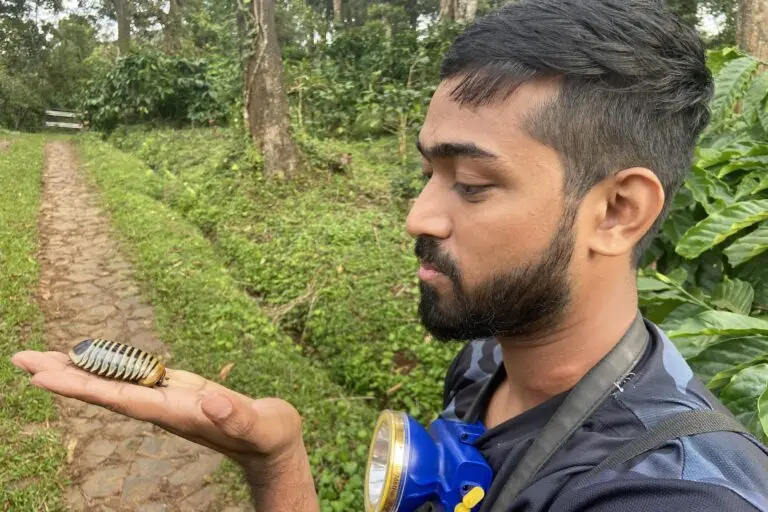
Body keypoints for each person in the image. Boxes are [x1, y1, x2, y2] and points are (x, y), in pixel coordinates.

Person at [12, 0, 768, 510]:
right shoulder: (485, 362)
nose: (417, 214)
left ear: (617, 211)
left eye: (472, 184)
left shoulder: (675, 493)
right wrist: (276, 462)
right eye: (426, 172)